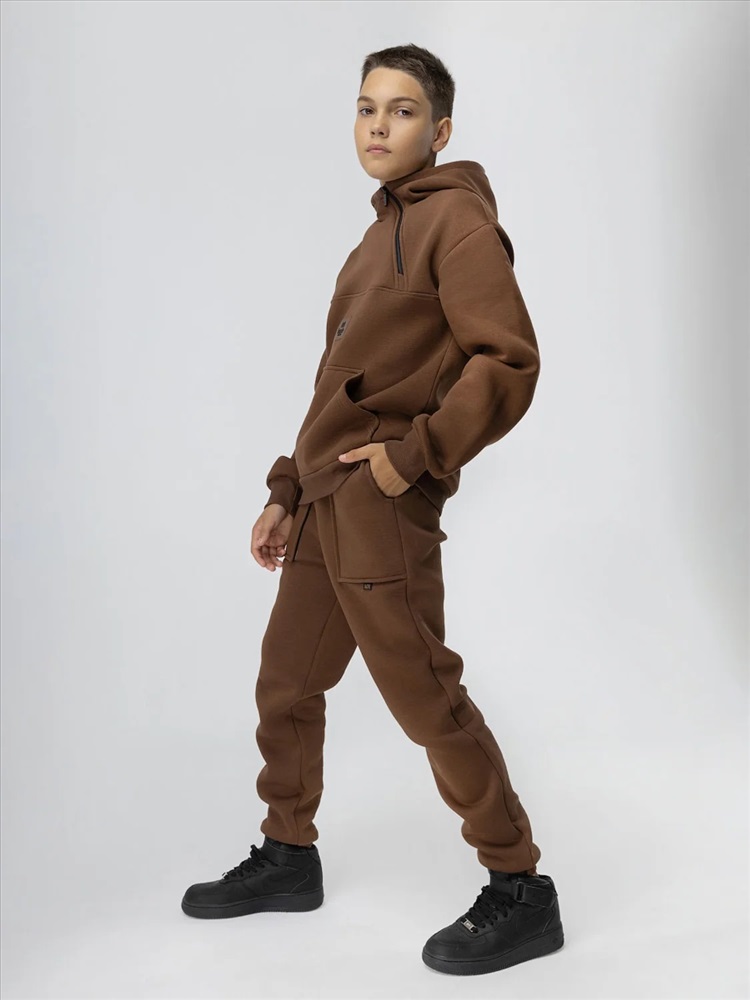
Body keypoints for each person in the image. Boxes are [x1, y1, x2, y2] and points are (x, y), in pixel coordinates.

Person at [181, 42, 564, 977]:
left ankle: (521, 888)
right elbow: (337, 387)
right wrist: (287, 489)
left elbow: (508, 360)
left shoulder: (457, 223)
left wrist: (415, 456)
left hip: (383, 502)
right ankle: (288, 854)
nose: (378, 126)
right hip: (326, 500)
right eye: (366, 108)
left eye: (401, 111)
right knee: (286, 682)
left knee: (423, 693)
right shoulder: (373, 239)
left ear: (440, 130)